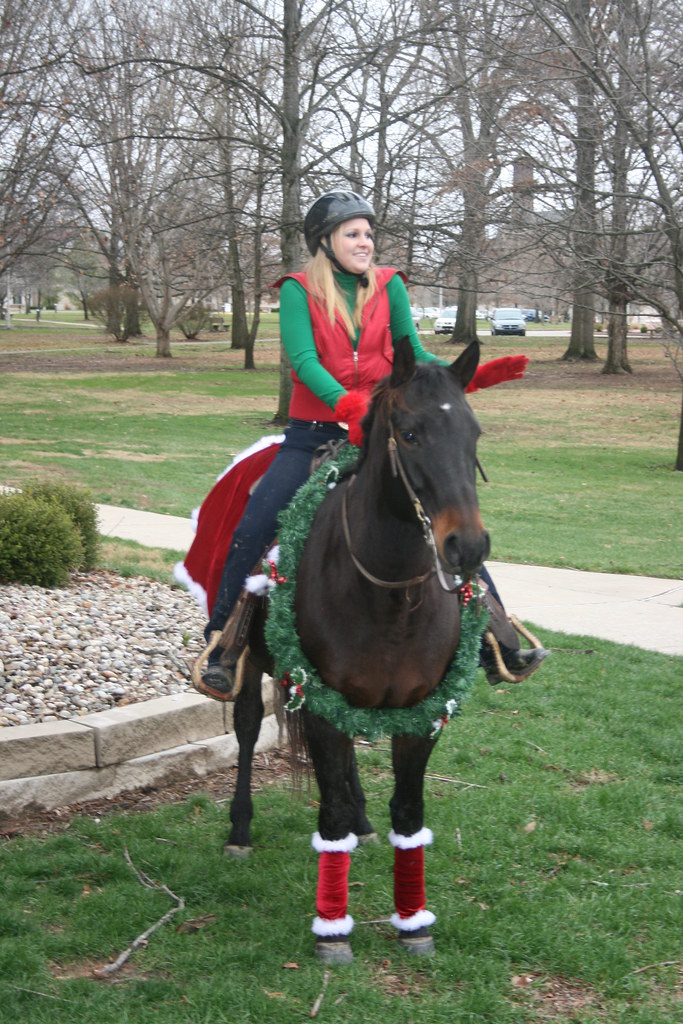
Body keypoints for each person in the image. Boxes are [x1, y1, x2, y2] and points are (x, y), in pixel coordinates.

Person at [194, 189, 547, 699]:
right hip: (314, 434)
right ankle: (224, 644)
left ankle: (498, 640)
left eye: (368, 233)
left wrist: (468, 378)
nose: (365, 242)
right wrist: (345, 405)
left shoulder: (390, 285)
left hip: (381, 431)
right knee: (256, 525)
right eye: (353, 234)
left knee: (445, 510)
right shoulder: (297, 291)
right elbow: (304, 362)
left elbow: (415, 354)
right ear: (325, 241)